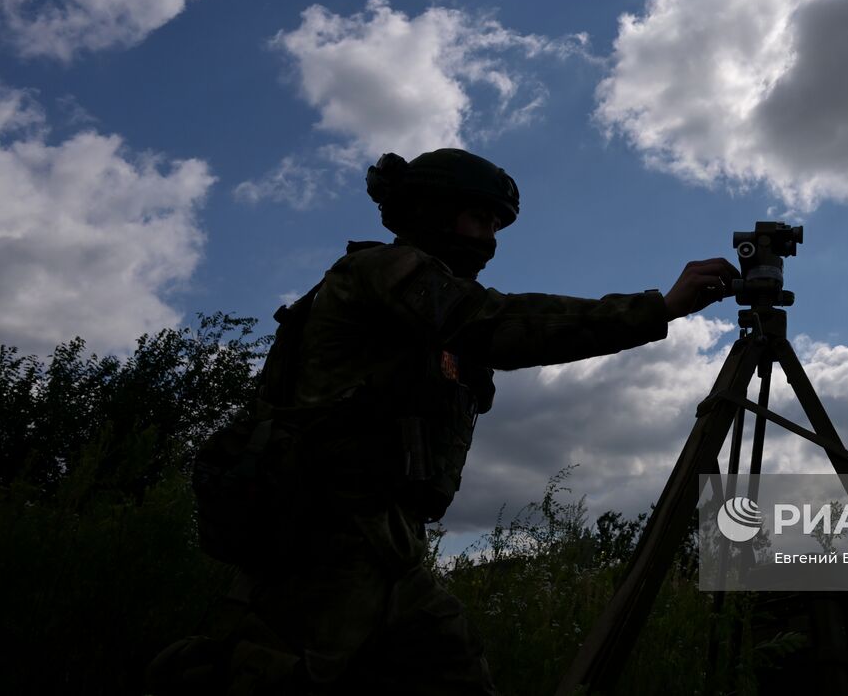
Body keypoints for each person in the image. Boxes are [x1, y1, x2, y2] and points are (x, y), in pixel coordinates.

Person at [148, 148, 739, 695]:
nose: (488, 240)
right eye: (478, 221)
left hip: (387, 545)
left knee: (452, 669)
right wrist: (655, 309)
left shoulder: (428, 308)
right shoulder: (383, 273)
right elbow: (497, 325)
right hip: (322, 537)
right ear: (431, 214)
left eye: (496, 227)